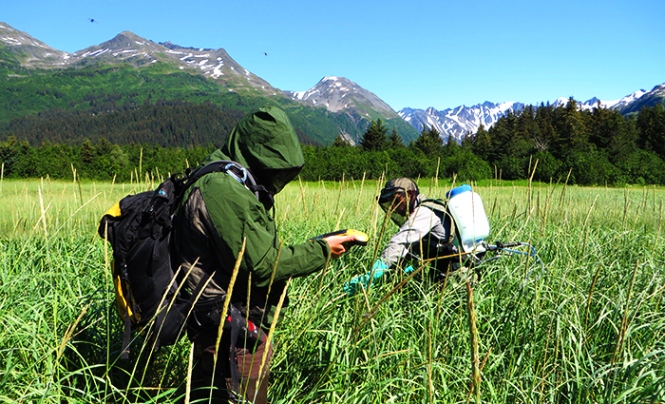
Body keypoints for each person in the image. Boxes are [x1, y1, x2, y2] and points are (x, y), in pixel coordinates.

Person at [172, 106, 356, 403]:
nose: (275, 179)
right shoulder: (223, 189)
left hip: (228, 327)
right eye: (272, 168)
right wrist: (322, 250)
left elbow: (251, 252)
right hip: (231, 333)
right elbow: (261, 264)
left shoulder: (227, 179)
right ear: (254, 154)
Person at [344, 177, 460, 295]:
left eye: (396, 201)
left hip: (458, 273)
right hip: (445, 269)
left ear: (409, 194)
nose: (393, 206)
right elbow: (414, 250)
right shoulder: (421, 211)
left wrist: (374, 274)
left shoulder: (424, 212)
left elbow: (399, 243)